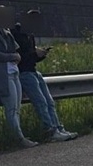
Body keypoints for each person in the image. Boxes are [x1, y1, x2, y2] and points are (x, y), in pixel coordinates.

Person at [13, 10, 77, 142]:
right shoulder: (17, 34)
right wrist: (36, 54)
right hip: (24, 72)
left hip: (33, 70)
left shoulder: (29, 34)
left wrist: (41, 55)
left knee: (49, 101)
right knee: (41, 102)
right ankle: (50, 131)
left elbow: (31, 57)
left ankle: (58, 128)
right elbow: (20, 57)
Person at [0, 6, 38, 148]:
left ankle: (17, 136)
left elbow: (16, 48)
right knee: (11, 108)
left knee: (16, 107)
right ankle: (18, 139)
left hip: (14, 73)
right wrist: (13, 56)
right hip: (2, 75)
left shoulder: (6, 33)